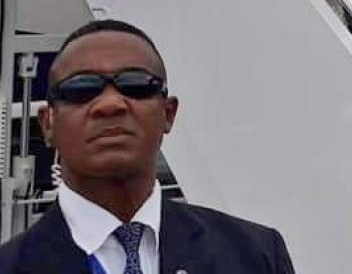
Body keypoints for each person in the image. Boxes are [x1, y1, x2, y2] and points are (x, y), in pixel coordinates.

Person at [0, 19, 295, 273]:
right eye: (82, 88)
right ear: (48, 123)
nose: (110, 104)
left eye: (136, 84)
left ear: (168, 114)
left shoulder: (256, 255)